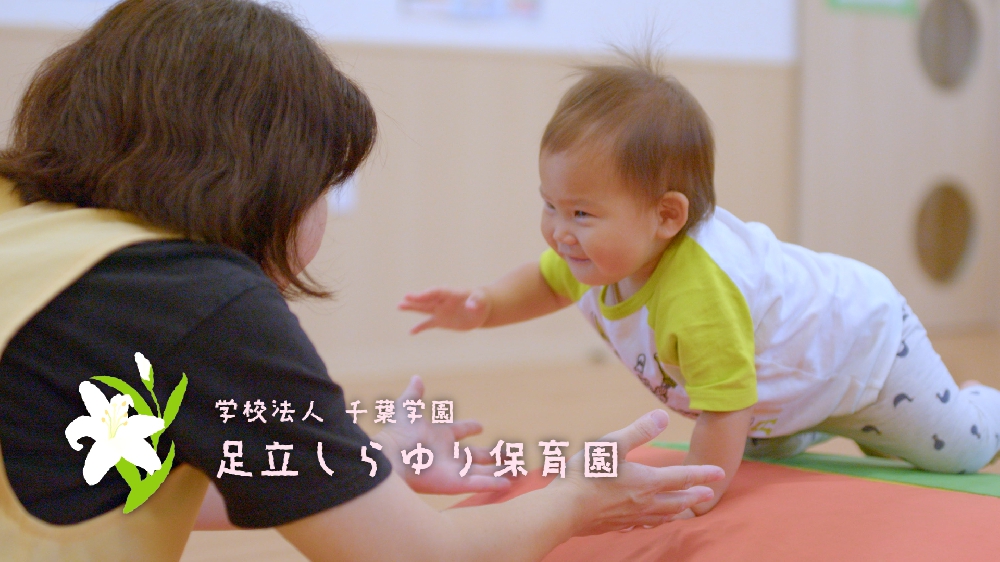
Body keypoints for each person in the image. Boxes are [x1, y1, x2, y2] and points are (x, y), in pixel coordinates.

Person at [0, 1, 727, 560]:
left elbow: (102, 476)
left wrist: (359, 465)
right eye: (327, 185)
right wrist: (578, 498)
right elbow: (416, 555)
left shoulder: (28, 230)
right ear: (267, 180)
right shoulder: (197, 298)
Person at [400, 50, 1000, 517]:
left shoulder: (697, 295)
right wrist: (482, 306)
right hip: (787, 383)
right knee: (765, 450)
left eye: (580, 213)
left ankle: (982, 407)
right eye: (549, 204)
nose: (559, 232)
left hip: (868, 353)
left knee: (958, 451)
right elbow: (547, 283)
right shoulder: (599, 257)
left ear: (666, 216)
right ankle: (816, 417)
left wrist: (695, 494)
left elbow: (724, 409)